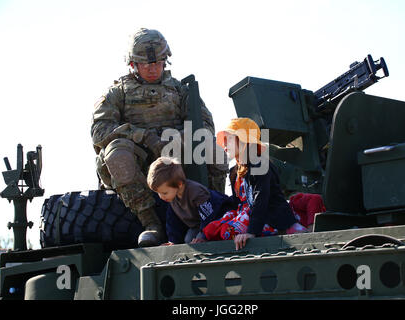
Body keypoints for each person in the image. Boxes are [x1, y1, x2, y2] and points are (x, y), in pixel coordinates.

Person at [91, 28, 228, 247]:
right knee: (116, 152)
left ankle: (215, 211)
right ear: (133, 64)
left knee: (213, 148)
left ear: (165, 62)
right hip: (140, 158)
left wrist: (180, 138)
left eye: (158, 63)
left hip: (178, 156)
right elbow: (99, 131)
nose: (153, 69)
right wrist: (143, 137)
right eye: (146, 64)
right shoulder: (117, 93)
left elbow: (206, 125)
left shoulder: (180, 91)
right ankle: (151, 224)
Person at [202, 118, 307, 250]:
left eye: (228, 139)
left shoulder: (260, 166)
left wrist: (252, 232)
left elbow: (261, 201)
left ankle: (280, 231)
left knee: (228, 232)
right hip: (246, 213)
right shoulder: (235, 172)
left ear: (244, 141)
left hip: (268, 216)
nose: (224, 144)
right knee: (212, 229)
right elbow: (236, 204)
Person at [147, 157, 233, 245]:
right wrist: (173, 241)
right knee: (189, 239)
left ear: (179, 184)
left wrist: (203, 236)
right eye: (159, 193)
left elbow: (209, 216)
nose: (161, 197)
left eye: (164, 193)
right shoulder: (172, 197)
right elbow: (172, 222)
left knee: (198, 241)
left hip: (220, 217)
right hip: (199, 225)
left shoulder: (196, 192)